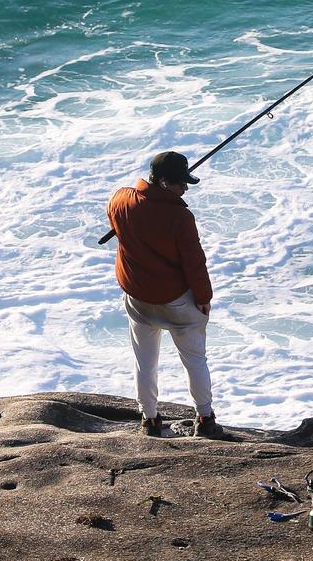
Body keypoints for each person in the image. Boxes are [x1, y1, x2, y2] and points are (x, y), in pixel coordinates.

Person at [106, 151, 223, 439]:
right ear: (163, 182)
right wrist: (203, 298)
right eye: (181, 183)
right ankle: (205, 418)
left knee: (144, 361)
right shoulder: (179, 217)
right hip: (176, 302)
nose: (185, 188)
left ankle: (149, 420)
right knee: (195, 359)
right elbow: (194, 262)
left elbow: (127, 200)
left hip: (139, 299)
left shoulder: (120, 200)